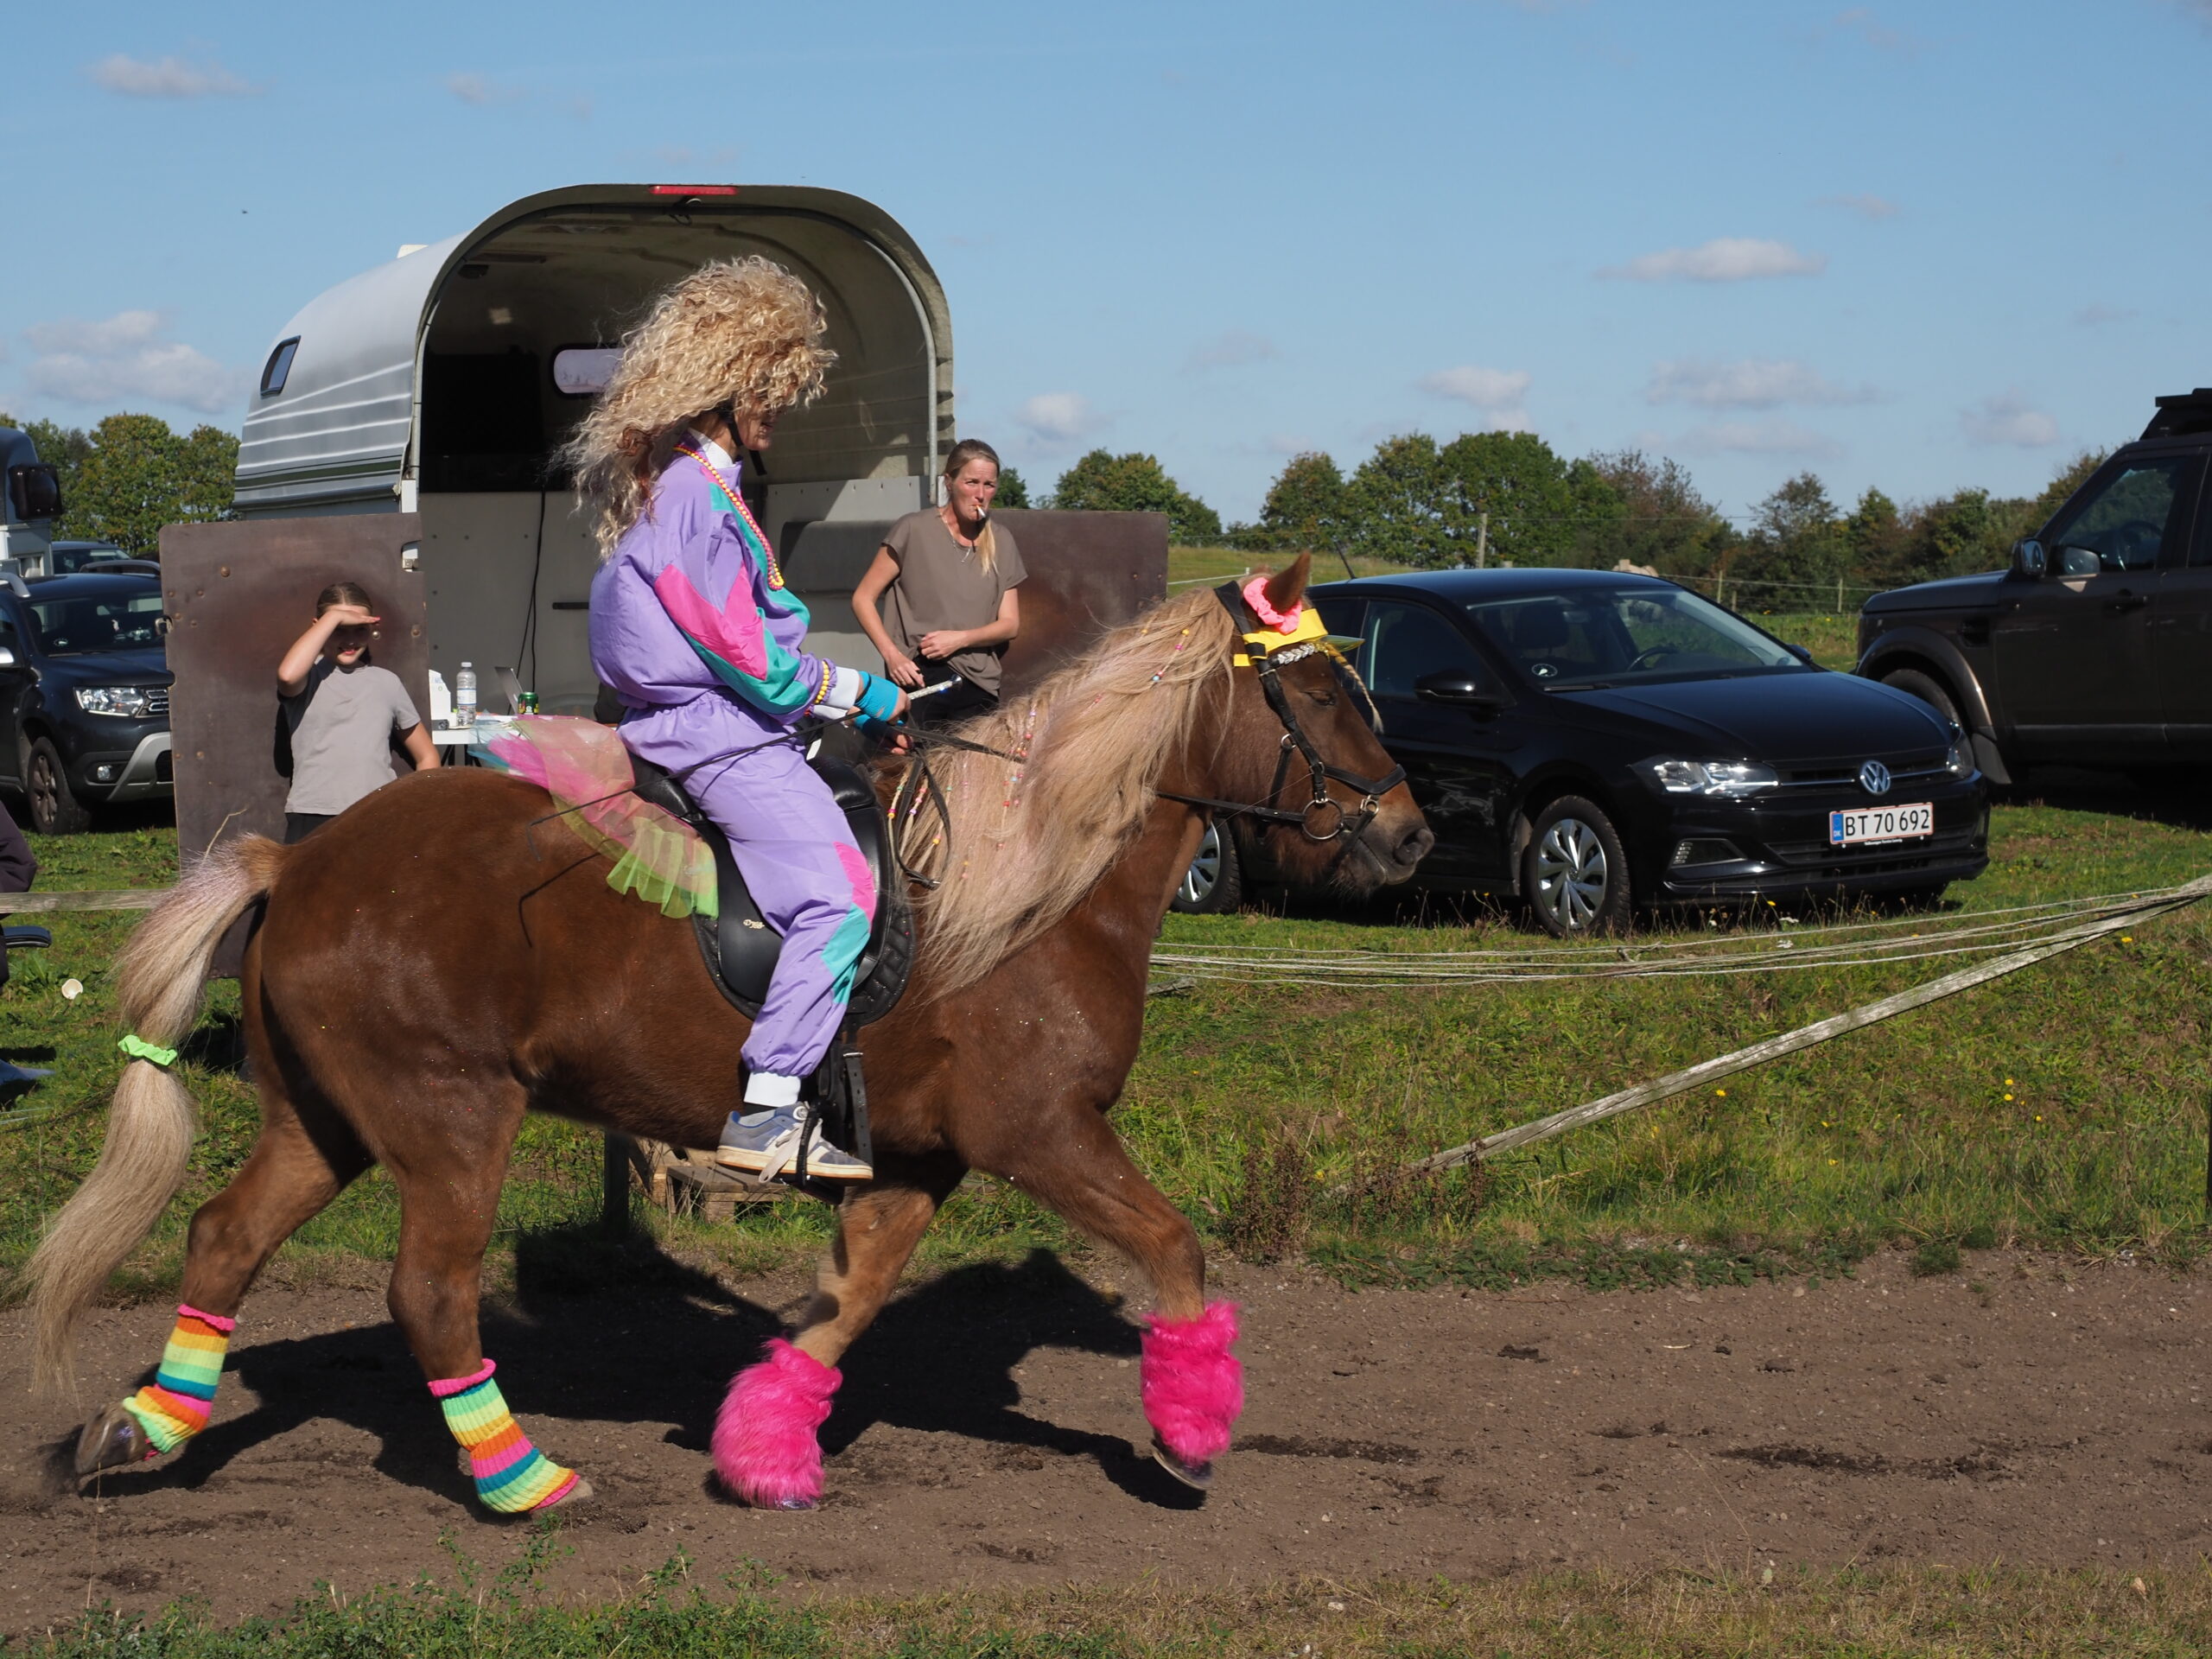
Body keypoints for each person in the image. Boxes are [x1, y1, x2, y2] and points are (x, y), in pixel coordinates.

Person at [568, 257, 908, 1185]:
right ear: (729, 385)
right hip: (718, 733)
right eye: (771, 393)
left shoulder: (697, 488)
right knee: (839, 899)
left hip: (729, 723)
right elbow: (747, 657)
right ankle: (767, 1111)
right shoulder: (695, 497)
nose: (779, 412)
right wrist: (862, 690)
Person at [851, 439, 1024, 723]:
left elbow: (1010, 624)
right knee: (912, 752)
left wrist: (960, 639)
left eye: (989, 485)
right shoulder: (913, 529)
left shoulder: (1002, 540)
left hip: (979, 685)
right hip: (918, 677)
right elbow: (863, 598)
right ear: (949, 482)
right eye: (971, 482)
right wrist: (892, 656)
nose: (980, 494)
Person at [276, 582, 438, 844]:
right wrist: (333, 617)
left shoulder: (387, 682)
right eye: (339, 629)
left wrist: (415, 807)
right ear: (320, 625)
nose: (350, 640)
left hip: (378, 814)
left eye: (359, 629)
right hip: (314, 814)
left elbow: (427, 755)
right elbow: (287, 675)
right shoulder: (308, 678)